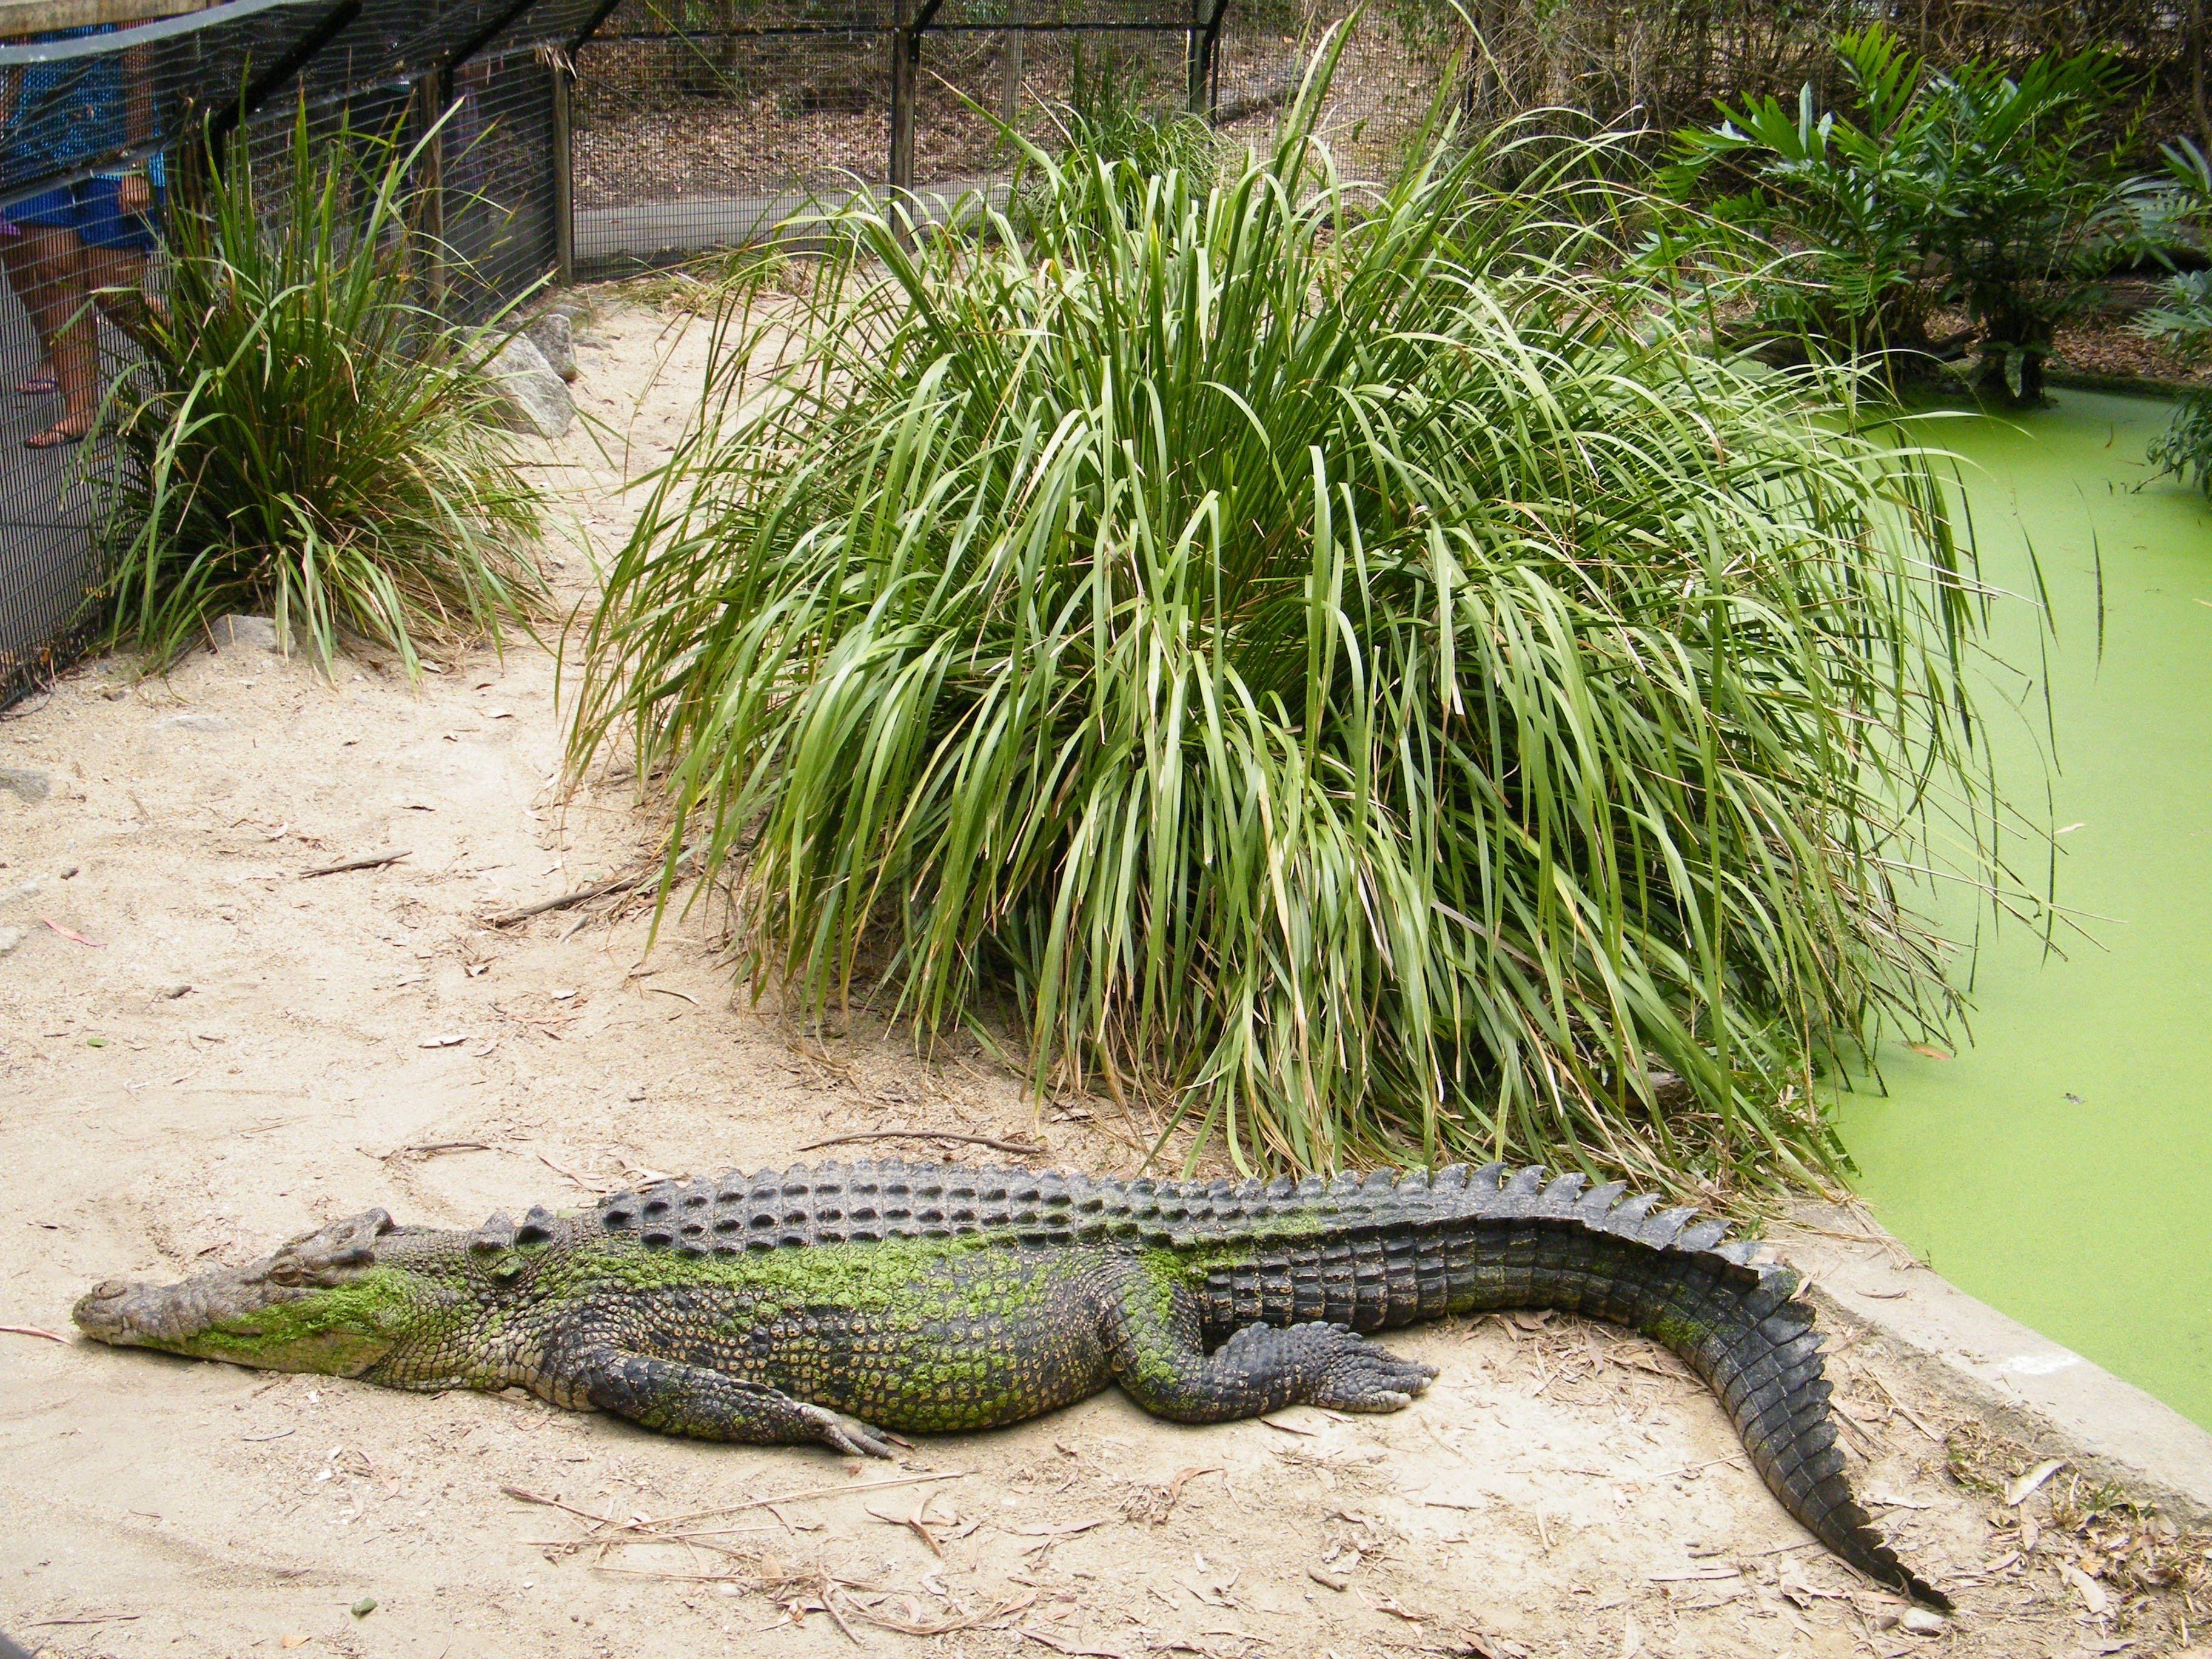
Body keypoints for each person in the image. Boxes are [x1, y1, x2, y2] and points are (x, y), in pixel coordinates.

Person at [2, 25, 162, 449]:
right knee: (56, 271)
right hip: (33, 138)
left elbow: (140, 65)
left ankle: (207, 365)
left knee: (114, 290)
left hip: (112, 142)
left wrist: (136, 162)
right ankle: (80, 412)